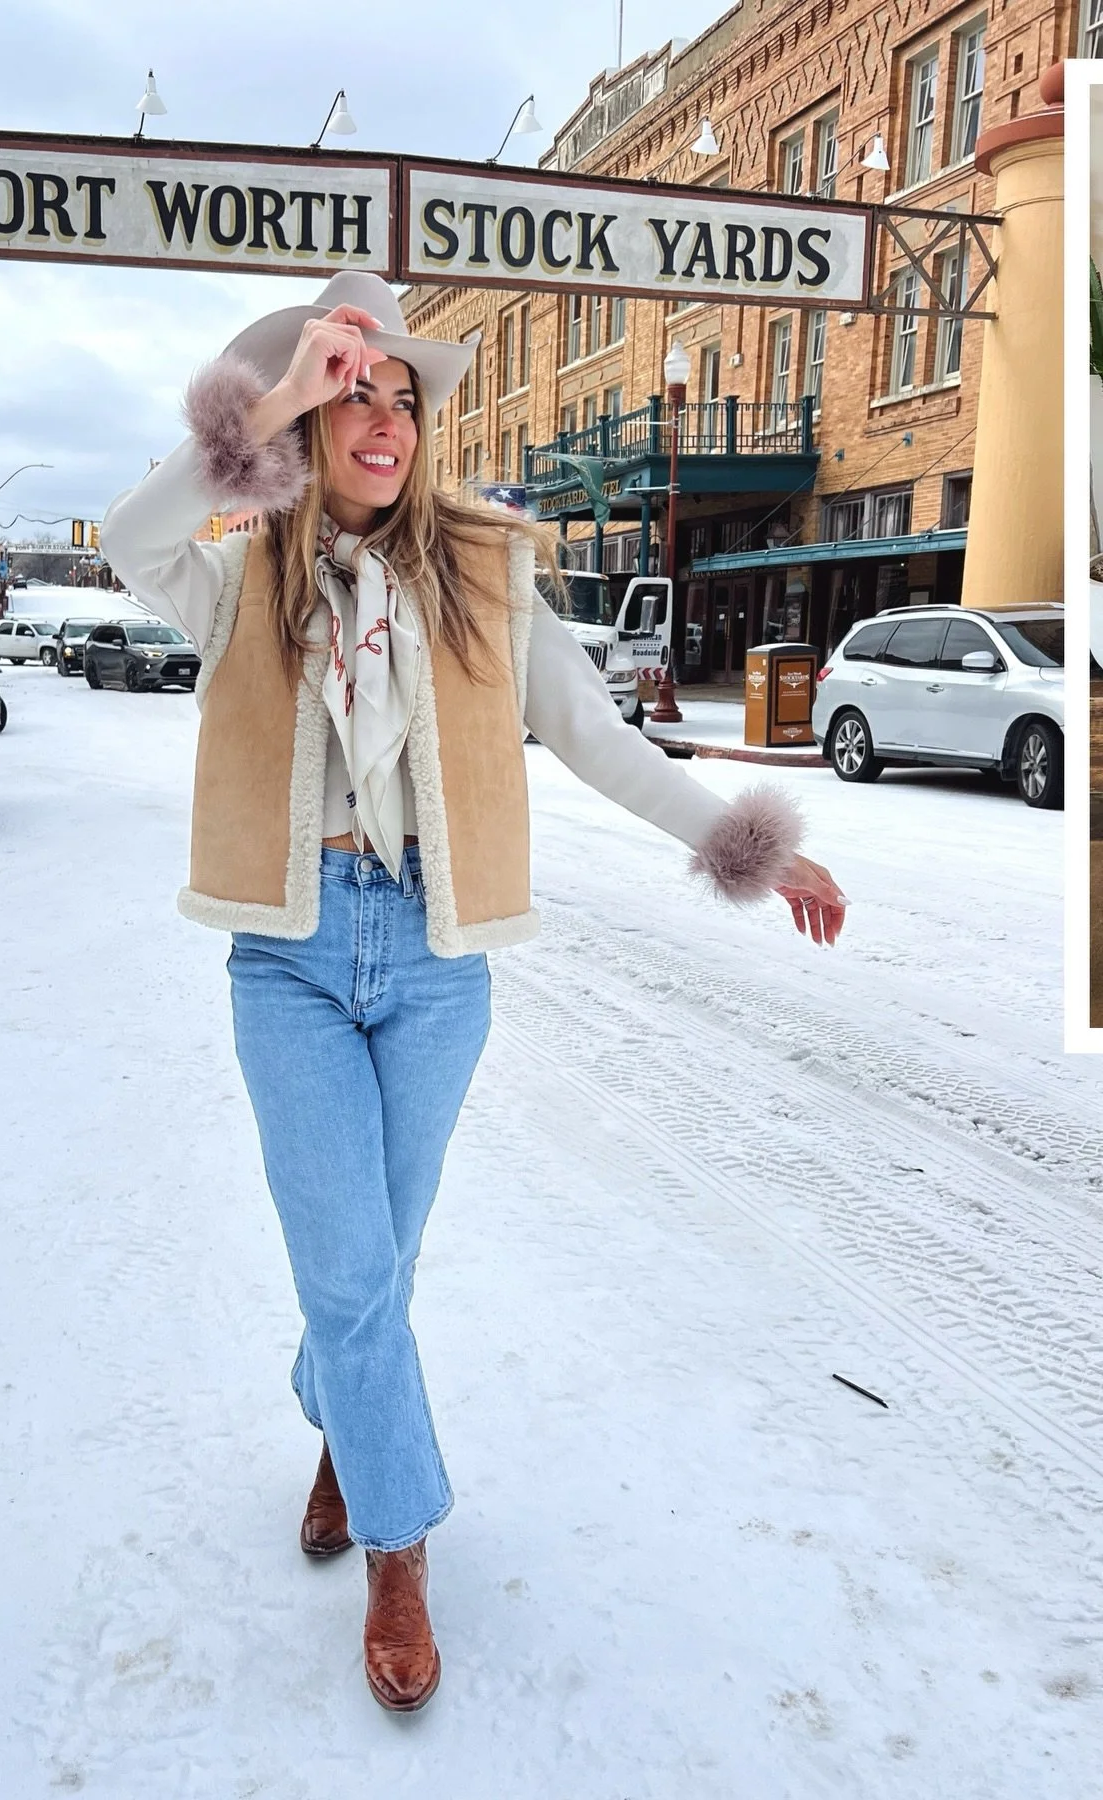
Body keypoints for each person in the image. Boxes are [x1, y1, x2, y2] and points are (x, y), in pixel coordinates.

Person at [101, 271, 846, 1714]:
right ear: (309, 420)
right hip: (294, 958)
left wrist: (753, 851)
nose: (382, 419)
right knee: (354, 1270)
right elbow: (136, 529)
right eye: (349, 393)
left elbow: (601, 743)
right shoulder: (239, 569)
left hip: (439, 967)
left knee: (376, 1266)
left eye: (402, 396)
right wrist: (276, 395)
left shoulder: (491, 576)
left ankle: (341, 1432)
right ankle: (400, 1544)